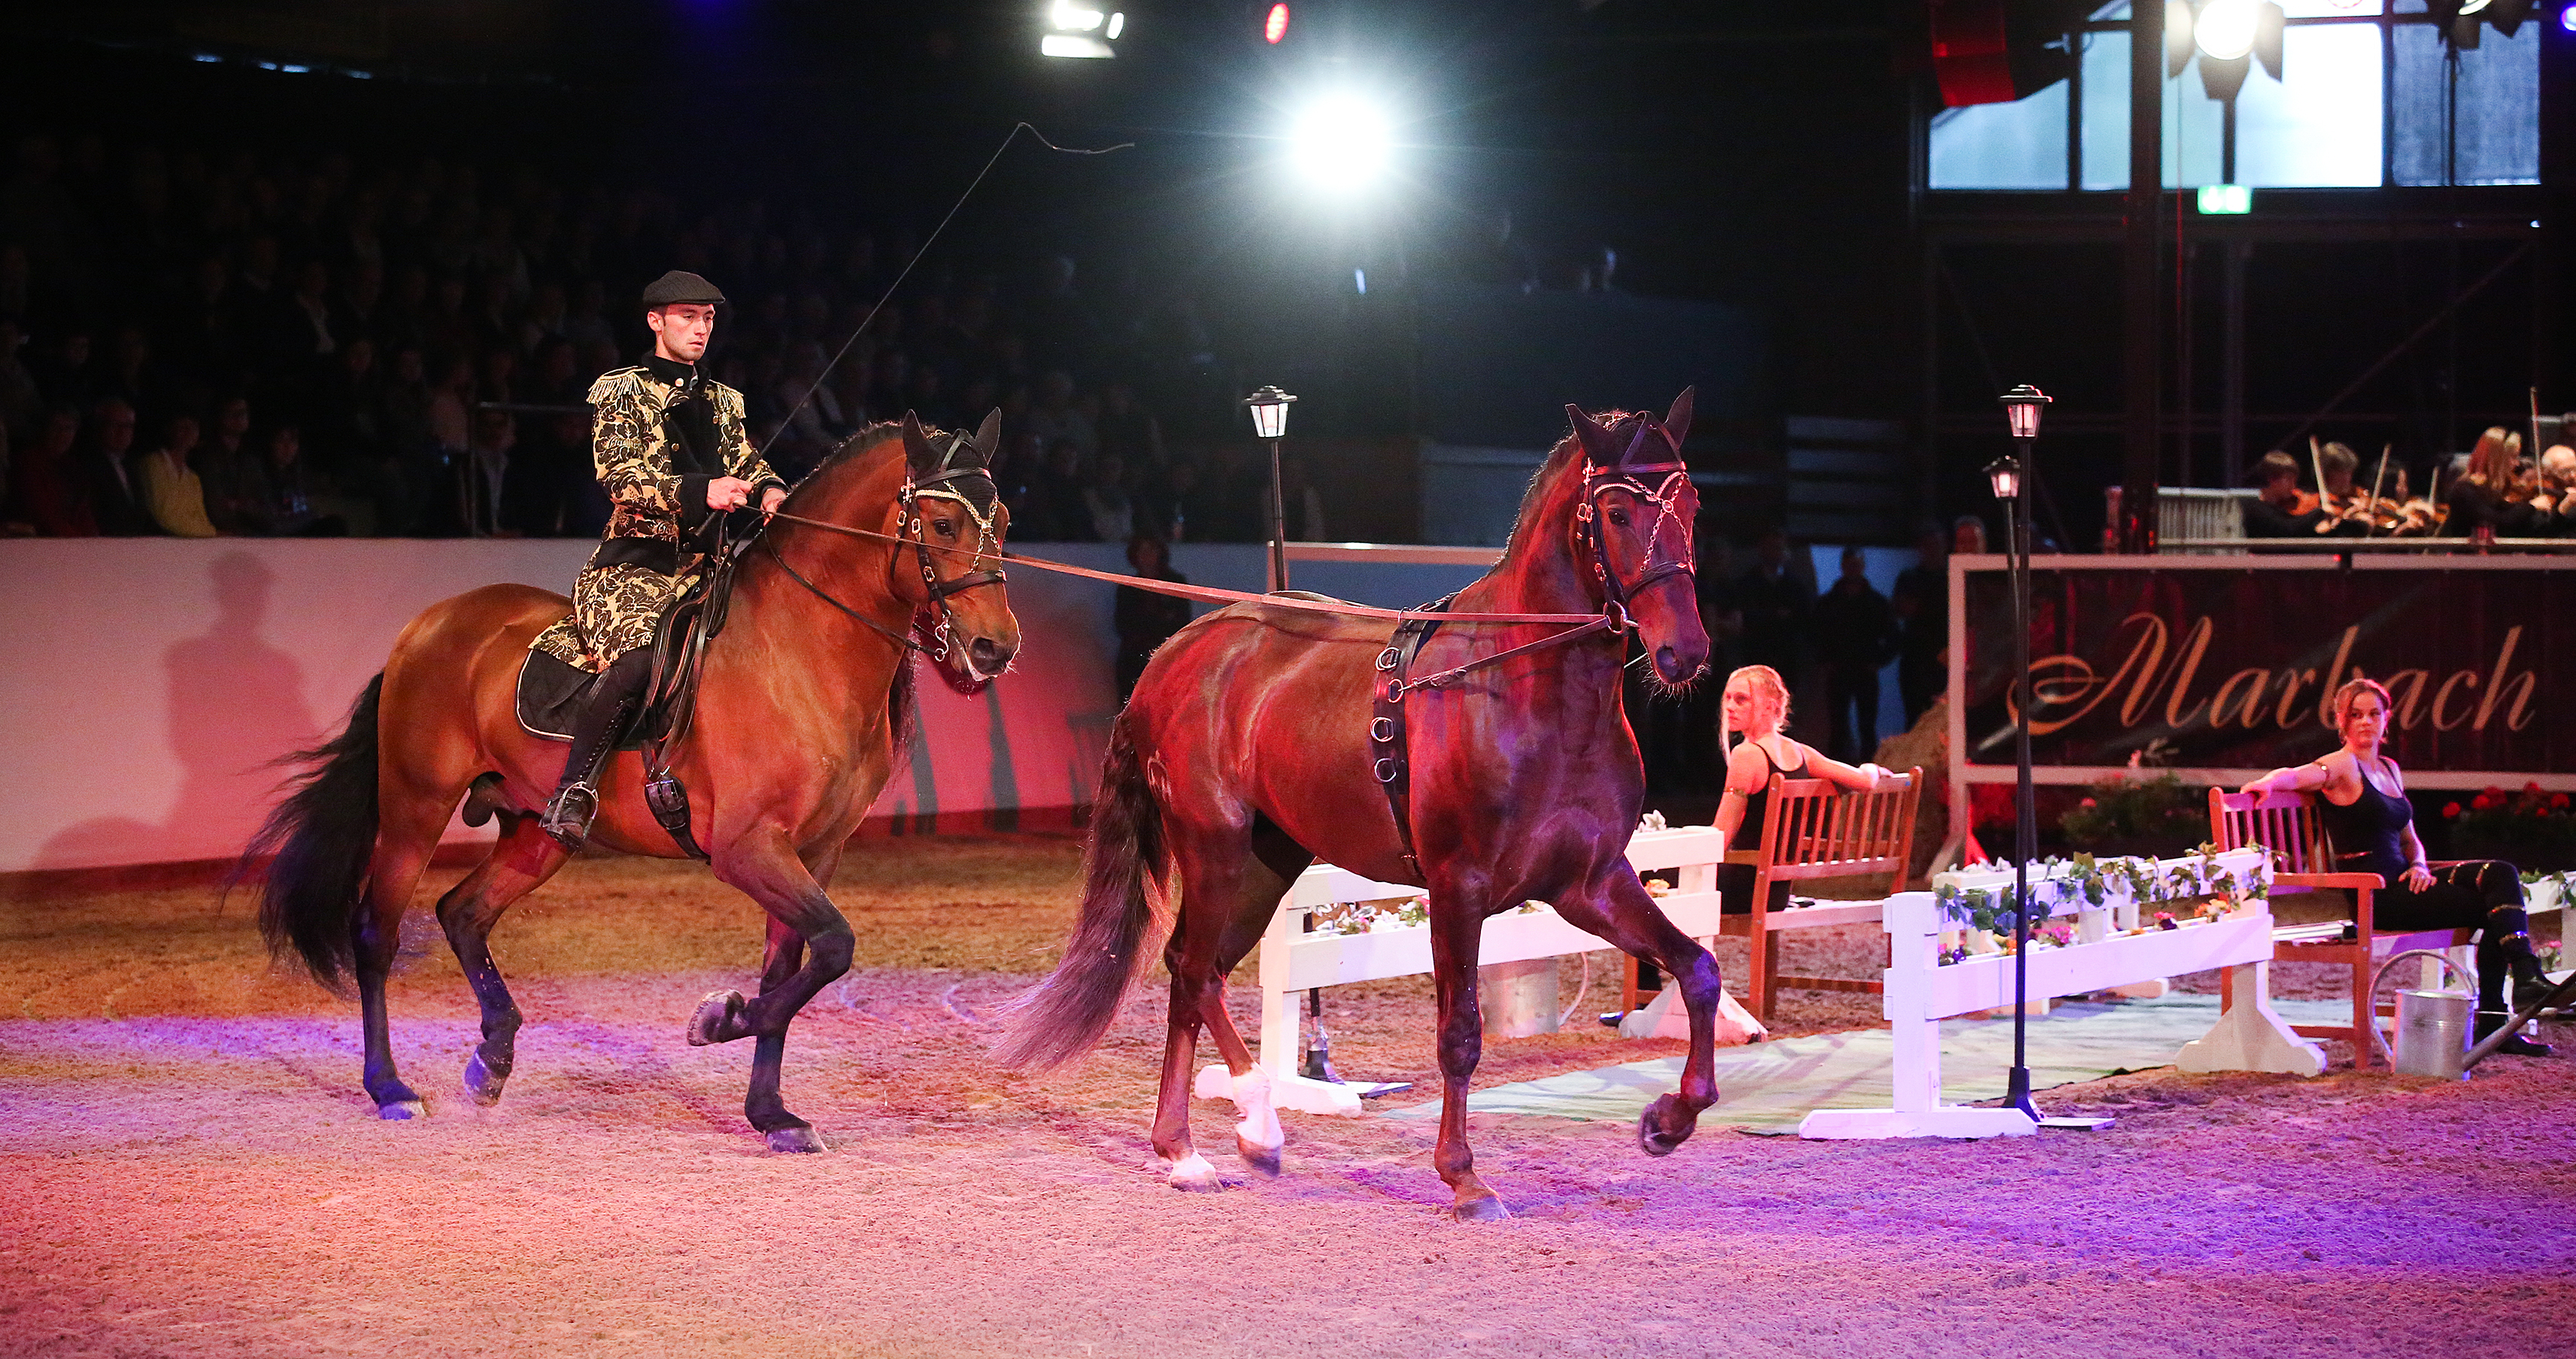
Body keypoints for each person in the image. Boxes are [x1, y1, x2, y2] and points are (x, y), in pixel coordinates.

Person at [529, 270, 788, 849]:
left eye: (708, 319)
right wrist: (702, 491)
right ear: (655, 321)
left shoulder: (722, 400)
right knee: (644, 661)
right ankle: (575, 788)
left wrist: (770, 489)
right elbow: (620, 478)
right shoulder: (621, 390)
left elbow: (745, 460)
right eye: (687, 317)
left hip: (706, 572)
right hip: (633, 570)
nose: (700, 330)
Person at [2239, 678, 2555, 1055]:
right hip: (2377, 895)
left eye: (2374, 714)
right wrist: (2266, 783)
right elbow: (2295, 774)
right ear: (2341, 720)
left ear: (2386, 719)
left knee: (2500, 872)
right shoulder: (2341, 766)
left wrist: (2420, 865)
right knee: (2495, 912)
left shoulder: (2389, 768)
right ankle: (2502, 1010)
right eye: (2355, 715)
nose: (2365, 722)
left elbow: (2410, 840)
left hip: (2408, 881)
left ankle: (2519, 983)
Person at [1713, 665, 1895, 917]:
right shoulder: (1801, 753)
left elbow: (1719, 838)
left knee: (1660, 902)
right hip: (1776, 893)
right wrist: (1872, 768)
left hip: (1743, 888)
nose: (1730, 707)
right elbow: (1864, 780)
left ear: (1770, 706)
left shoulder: (1746, 755)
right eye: (1728, 698)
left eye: (1741, 699)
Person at [1813, 546, 1898, 763]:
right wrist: (1825, 661)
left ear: (1862, 566)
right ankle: (1835, 776)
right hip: (1839, 671)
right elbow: (1813, 634)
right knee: (1838, 726)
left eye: (1856, 564)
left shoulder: (1876, 603)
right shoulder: (1828, 603)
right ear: (1843, 566)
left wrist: (1877, 662)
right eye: (1849, 564)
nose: (1852, 568)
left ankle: (1868, 773)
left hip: (1864, 672)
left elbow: (1894, 637)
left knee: (1867, 726)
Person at [1112, 534, 1191, 704]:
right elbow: (1124, 625)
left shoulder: (1175, 582)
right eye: (1142, 551)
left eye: (1151, 550)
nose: (1147, 555)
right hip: (1135, 658)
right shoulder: (1128, 588)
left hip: (1169, 657)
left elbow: (1182, 622)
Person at [1889, 522, 1947, 728]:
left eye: (1936, 545)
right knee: (1914, 715)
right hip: (1915, 657)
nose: (1932, 550)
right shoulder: (1909, 578)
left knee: (1943, 715)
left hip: (1946, 657)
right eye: (1927, 545)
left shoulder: (1953, 577)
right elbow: (1901, 610)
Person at [2441, 427, 2545, 541]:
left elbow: (2509, 513)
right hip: (2459, 557)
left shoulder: (2493, 491)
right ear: (2497, 459)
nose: (2517, 463)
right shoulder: (2464, 490)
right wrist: (2531, 506)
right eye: (2513, 457)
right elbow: (2495, 522)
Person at [138, 411, 217, 537]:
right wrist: (211, 533)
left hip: (193, 543)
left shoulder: (193, 478)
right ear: (169, 429)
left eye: (193, 428)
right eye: (183, 427)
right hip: (164, 544)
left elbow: (201, 518)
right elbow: (164, 516)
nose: (189, 432)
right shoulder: (153, 464)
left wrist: (209, 533)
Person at [2244, 450, 2324, 538]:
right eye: (2289, 480)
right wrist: (2319, 511)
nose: (2293, 486)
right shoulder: (2255, 508)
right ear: (2273, 479)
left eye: (2294, 481)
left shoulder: (2282, 506)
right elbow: (2289, 529)